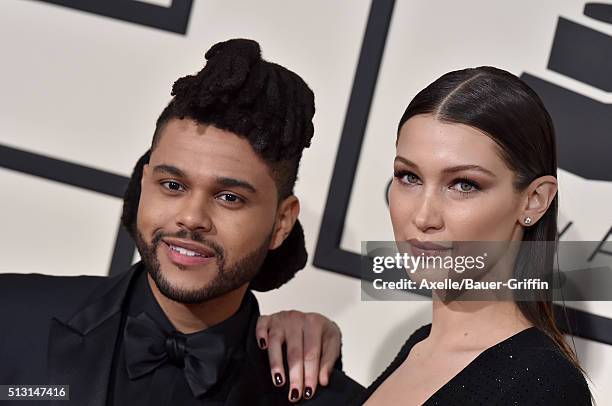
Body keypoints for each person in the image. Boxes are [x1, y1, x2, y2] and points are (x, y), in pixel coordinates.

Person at [0, 38, 363, 405]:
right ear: (144, 183)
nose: (191, 218)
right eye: (172, 185)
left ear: (282, 222)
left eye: (229, 198)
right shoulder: (10, 319)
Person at [259, 66, 593, 405]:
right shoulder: (417, 347)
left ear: (534, 200)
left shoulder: (543, 386)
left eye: (464, 184)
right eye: (409, 177)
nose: (423, 217)